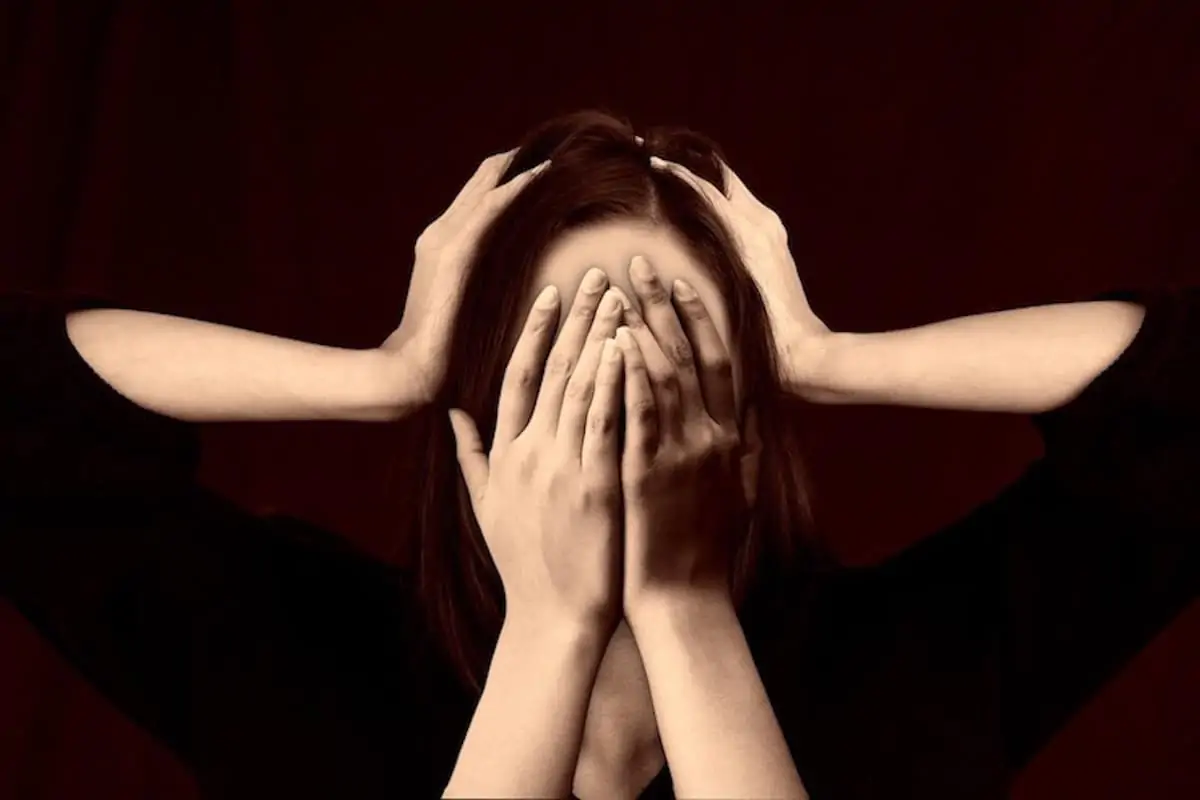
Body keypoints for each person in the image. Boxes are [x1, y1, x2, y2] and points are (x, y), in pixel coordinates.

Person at [0, 108, 1195, 799]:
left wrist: (836, 357)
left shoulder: (921, 663)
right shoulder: (301, 656)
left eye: (677, 343)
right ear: (478, 396)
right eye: (557, 346)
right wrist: (382, 376)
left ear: (757, 405)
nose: (616, 397)